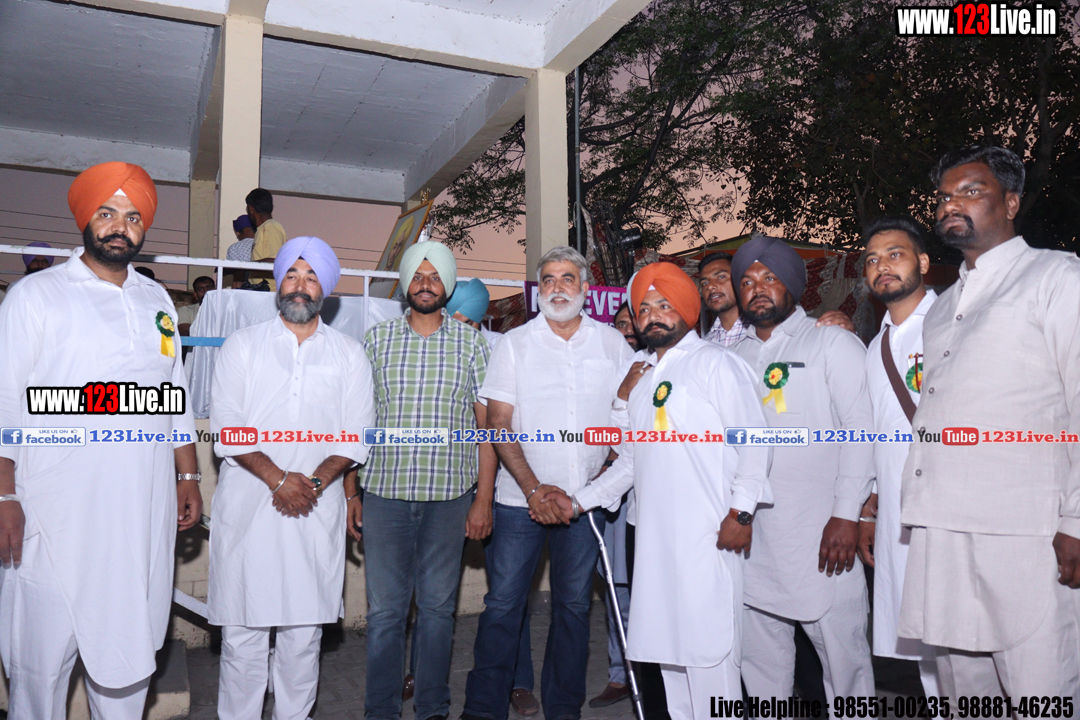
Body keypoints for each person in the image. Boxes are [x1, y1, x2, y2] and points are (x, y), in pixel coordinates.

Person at [0, 161, 201, 720]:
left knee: (127, 662)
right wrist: (4, 493)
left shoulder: (157, 301)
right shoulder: (36, 296)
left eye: (133, 217)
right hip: (53, 517)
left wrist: (188, 474)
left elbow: (174, 395)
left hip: (139, 516)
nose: (120, 227)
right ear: (86, 218)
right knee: (39, 674)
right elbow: (5, 399)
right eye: (107, 213)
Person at [545, 261, 772, 718]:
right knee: (671, 661)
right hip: (654, 546)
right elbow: (630, 461)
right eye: (644, 308)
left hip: (709, 538)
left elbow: (755, 441)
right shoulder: (644, 379)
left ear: (687, 309)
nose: (653, 316)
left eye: (664, 305)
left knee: (712, 660)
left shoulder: (717, 364)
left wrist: (742, 512)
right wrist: (578, 501)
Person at [898, 146, 1080, 696]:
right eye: (943, 197)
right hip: (942, 530)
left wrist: (1076, 520)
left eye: (971, 191)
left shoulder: (1056, 276)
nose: (951, 204)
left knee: (1041, 688)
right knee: (965, 692)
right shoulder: (942, 306)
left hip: (1025, 530)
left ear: (1011, 202)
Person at [461, 246, 632, 720]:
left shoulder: (612, 344)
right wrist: (534, 490)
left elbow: (628, 417)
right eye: (549, 280)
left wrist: (598, 479)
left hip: (584, 505)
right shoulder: (514, 343)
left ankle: (563, 710)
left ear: (585, 289)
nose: (558, 288)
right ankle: (482, 710)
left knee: (573, 609)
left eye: (567, 278)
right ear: (539, 290)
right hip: (519, 503)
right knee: (502, 606)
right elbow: (497, 423)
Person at [208, 236, 374, 720]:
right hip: (250, 508)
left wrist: (314, 483)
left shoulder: (349, 354)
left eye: (311, 277)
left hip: (314, 512)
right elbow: (228, 426)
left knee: (303, 641)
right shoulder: (242, 345)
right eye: (292, 276)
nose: (300, 286)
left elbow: (356, 434)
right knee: (243, 641)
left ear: (326, 289)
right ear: (278, 283)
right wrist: (279, 479)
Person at [731, 234, 875, 701]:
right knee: (760, 669)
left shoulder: (832, 343)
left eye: (769, 277)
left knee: (845, 667)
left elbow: (862, 431)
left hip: (823, 536)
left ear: (792, 285)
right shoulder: (732, 359)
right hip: (753, 541)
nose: (757, 289)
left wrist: (847, 514)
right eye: (747, 281)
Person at [360, 241, 496, 720]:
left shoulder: (472, 344)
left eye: (434, 276)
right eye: (417, 276)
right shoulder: (376, 340)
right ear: (404, 283)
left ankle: (433, 708)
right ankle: (380, 711)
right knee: (385, 614)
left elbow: (486, 428)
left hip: (449, 499)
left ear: (448, 285)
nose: (425, 284)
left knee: (438, 612)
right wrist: (352, 490)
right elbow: (358, 419)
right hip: (384, 497)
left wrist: (483, 499)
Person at [854, 216, 940, 696]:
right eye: (872, 259)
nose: (882, 265)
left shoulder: (951, 324)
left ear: (923, 262)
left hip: (948, 510)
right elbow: (875, 433)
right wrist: (870, 507)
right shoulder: (876, 345)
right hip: (898, 514)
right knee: (923, 643)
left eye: (895, 254)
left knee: (961, 640)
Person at [590, 299, 638, 709]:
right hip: (608, 492)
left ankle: (653, 676)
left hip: (648, 495)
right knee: (616, 584)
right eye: (620, 324)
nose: (627, 333)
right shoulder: (603, 371)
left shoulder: (656, 370)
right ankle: (621, 675)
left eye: (633, 326)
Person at [247, 188, 287, 290]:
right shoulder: (263, 228)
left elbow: (275, 260)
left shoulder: (270, 227)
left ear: (251, 209)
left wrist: (245, 267)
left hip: (269, 292)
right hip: (261, 291)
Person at [227, 214, 256, 288]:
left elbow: (238, 276)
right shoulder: (265, 244)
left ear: (238, 233)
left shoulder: (234, 248)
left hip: (246, 289)